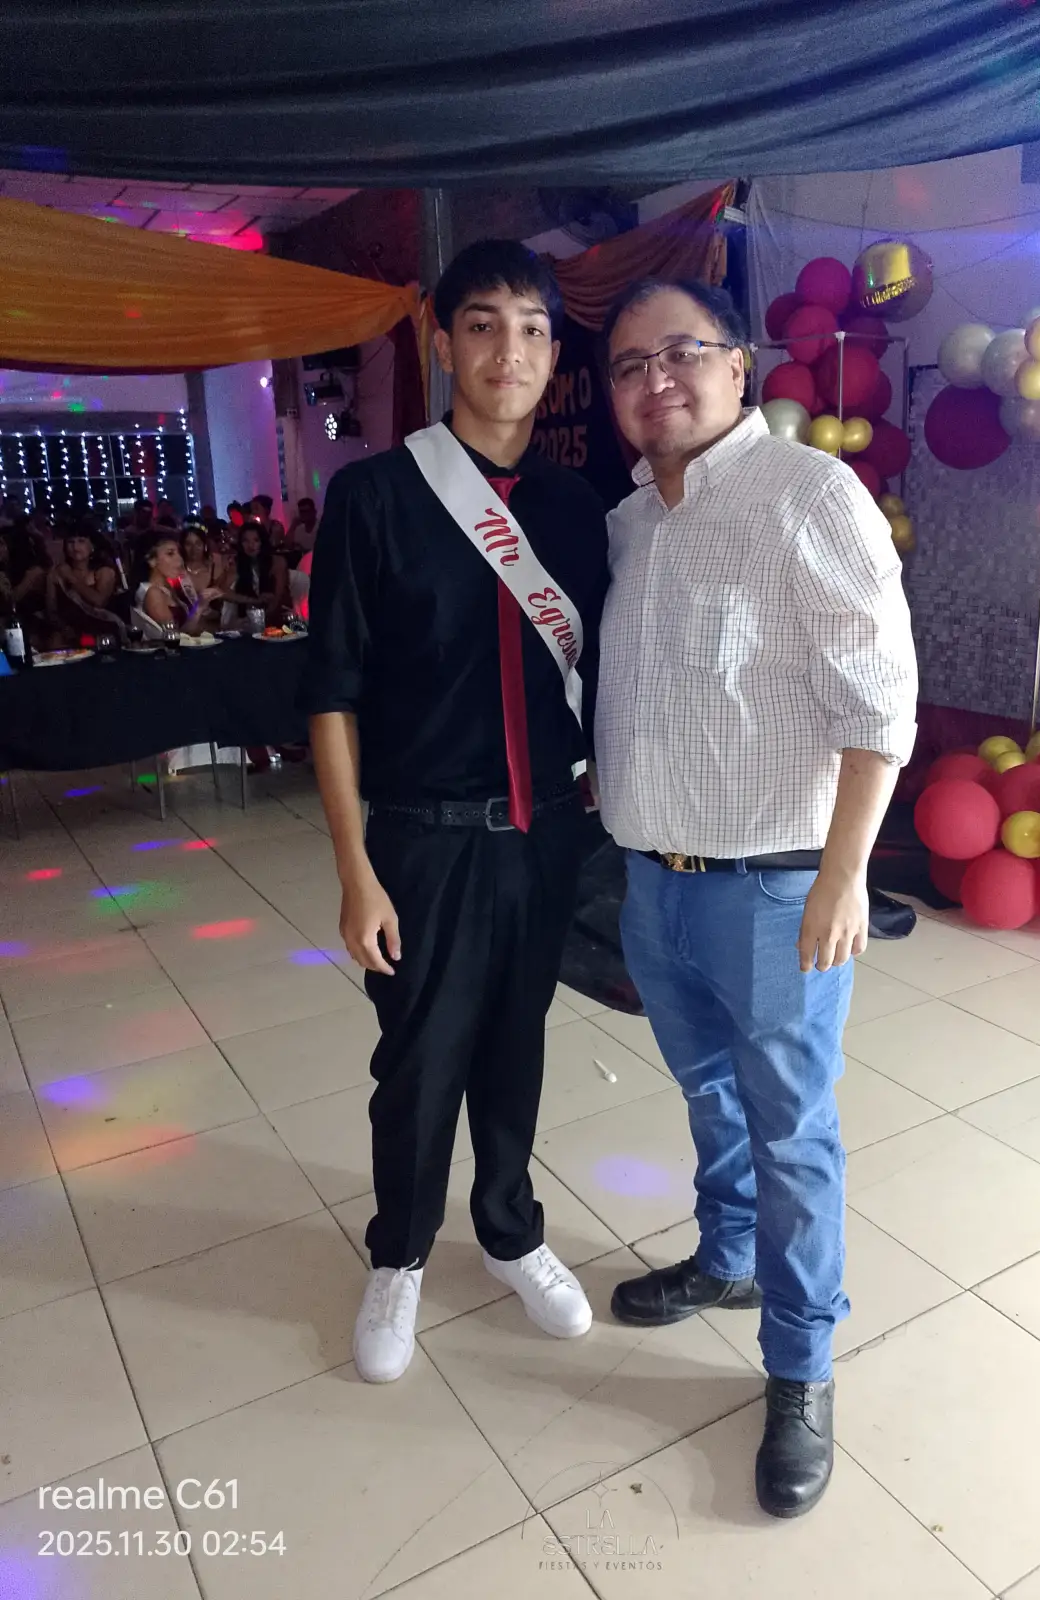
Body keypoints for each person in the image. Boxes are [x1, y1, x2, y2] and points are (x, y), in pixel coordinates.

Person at [595, 279, 918, 1520]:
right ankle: (726, 1258)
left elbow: (878, 699)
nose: (657, 380)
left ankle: (801, 1366)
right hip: (655, 883)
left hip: (777, 889)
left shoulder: (808, 494)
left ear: (739, 364)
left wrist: (844, 874)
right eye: (630, 364)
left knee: (792, 1133)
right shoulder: (633, 520)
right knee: (710, 1094)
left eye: (682, 352)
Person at [300, 239, 609, 1385]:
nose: (508, 352)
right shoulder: (375, 497)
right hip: (419, 842)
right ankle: (399, 1253)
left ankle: (512, 1230)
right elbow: (329, 694)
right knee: (419, 1062)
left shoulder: (581, 509)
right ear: (441, 343)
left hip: (545, 839)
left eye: (531, 329)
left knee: (515, 1046)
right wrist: (355, 868)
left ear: (554, 350)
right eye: (482, 325)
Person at [45, 522, 123, 642]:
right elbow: (51, 611)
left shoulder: (104, 571)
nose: (75, 547)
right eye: (71, 542)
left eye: (81, 541)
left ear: (92, 546)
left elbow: (99, 602)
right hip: (69, 633)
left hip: (102, 633)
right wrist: (63, 628)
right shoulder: (57, 573)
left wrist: (71, 578)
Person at [134, 533, 222, 637]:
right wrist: (198, 607)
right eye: (170, 554)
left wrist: (201, 605)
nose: (179, 559)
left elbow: (188, 628)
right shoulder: (153, 593)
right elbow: (174, 637)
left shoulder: (168, 588)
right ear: (152, 561)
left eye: (179, 553)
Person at [219, 521, 289, 625]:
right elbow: (222, 592)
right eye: (245, 541)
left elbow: (278, 598)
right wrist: (253, 601)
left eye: (256, 540)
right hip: (248, 617)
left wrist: (262, 619)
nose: (251, 545)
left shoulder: (277, 562)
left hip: (276, 617)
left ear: (262, 542)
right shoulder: (238, 563)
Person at [179, 524, 225, 628]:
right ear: (182, 547)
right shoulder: (176, 571)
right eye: (188, 544)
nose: (194, 549)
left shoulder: (215, 567)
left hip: (214, 627)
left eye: (198, 543)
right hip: (186, 627)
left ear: (205, 546)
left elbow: (224, 596)